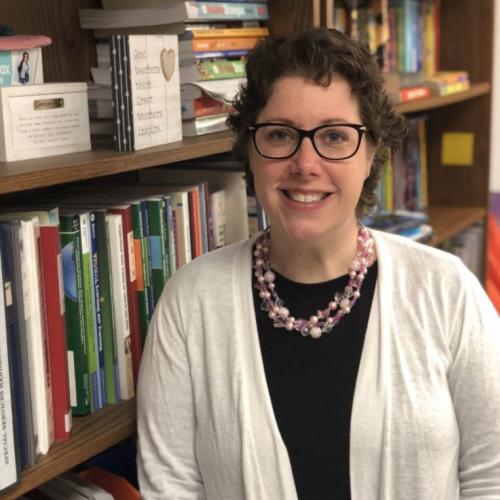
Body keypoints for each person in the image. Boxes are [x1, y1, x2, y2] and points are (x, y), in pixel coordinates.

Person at [137, 28, 500, 499]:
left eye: (334, 136)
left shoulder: (446, 291)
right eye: (280, 135)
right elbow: (170, 487)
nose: (305, 164)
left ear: (370, 154)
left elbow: (492, 476)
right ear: (250, 150)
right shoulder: (190, 302)